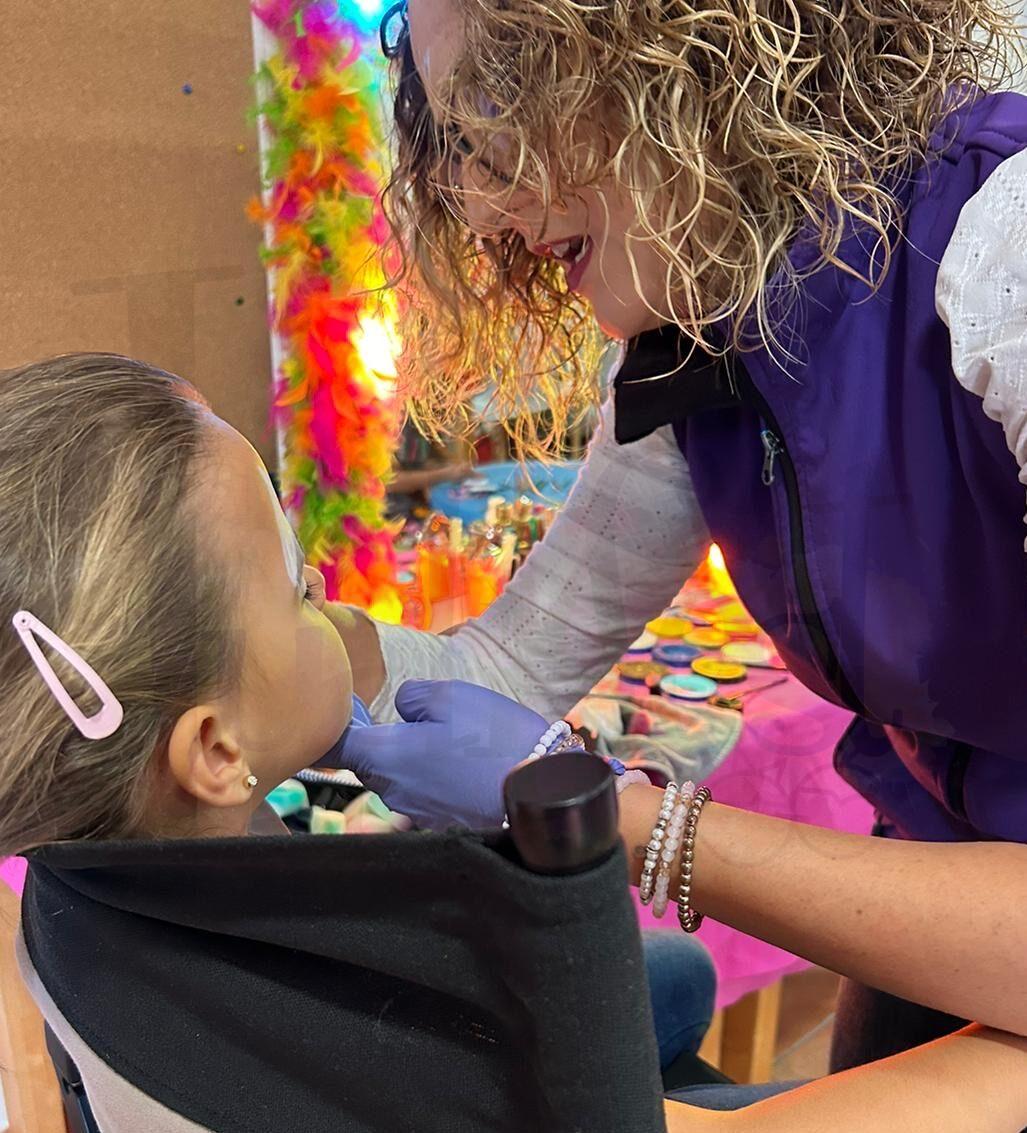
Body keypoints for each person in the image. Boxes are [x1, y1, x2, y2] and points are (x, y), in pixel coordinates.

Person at [2, 354, 1026, 1129]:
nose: (335, 603)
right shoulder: (376, 1057)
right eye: (298, 588)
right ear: (217, 753)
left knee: (670, 977)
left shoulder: (71, 899)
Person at [327, 0, 1027, 1083]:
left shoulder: (1003, 252)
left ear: (687, 50)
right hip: (939, 878)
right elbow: (510, 662)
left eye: (504, 101)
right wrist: (304, 645)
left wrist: (625, 814)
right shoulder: (693, 336)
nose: (482, 204)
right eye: (459, 140)